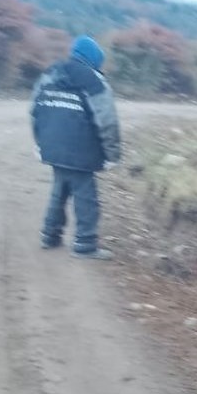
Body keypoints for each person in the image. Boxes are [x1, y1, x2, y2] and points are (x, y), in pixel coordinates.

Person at [31, 35, 123, 260]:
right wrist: (112, 154)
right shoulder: (94, 80)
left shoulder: (50, 73)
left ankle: (50, 236)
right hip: (81, 149)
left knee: (59, 190)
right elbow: (107, 120)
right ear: (93, 59)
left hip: (52, 146)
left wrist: (40, 143)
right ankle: (85, 244)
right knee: (85, 196)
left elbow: (35, 110)